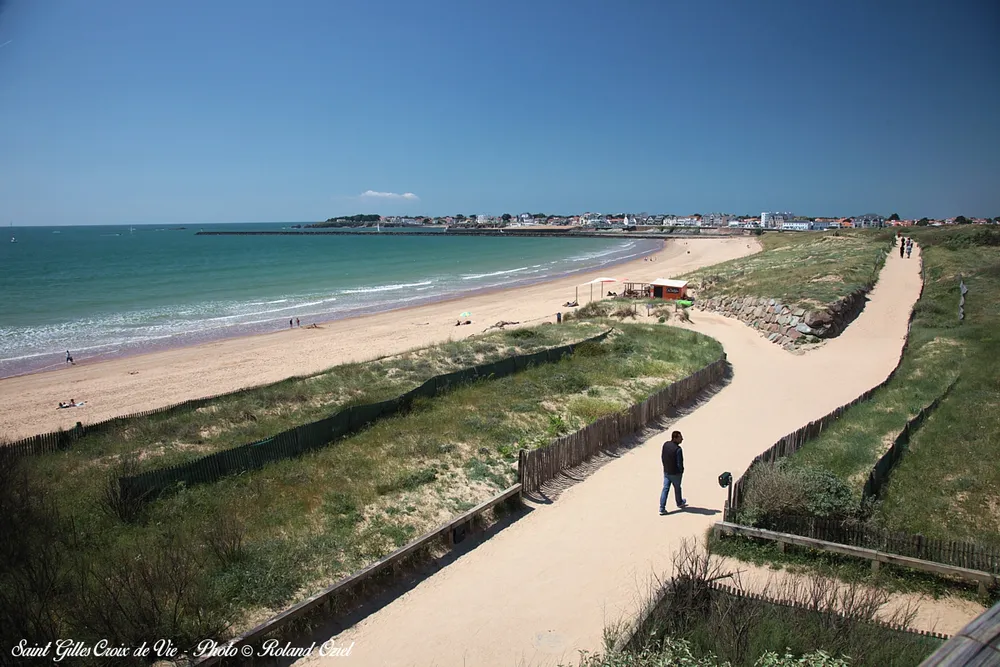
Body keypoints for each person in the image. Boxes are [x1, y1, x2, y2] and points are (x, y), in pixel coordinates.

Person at [659, 430, 688, 514]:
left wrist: (665, 467)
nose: (682, 439)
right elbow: (680, 463)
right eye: (680, 437)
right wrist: (681, 471)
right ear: (675, 438)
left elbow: (662, 457)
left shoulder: (665, 444)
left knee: (665, 489)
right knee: (677, 488)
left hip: (667, 471)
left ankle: (662, 508)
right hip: (675, 473)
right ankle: (679, 502)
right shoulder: (678, 449)